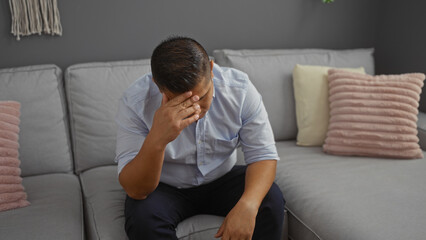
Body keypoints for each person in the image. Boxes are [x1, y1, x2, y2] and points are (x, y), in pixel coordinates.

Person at [115, 36, 285, 240]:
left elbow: (263, 155)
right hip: (165, 186)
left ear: (211, 69)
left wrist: (247, 205)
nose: (196, 108)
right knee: (142, 221)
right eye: (182, 102)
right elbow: (135, 189)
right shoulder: (135, 102)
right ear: (158, 85)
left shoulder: (240, 90)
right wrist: (157, 139)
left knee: (270, 200)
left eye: (202, 96)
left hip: (222, 178)